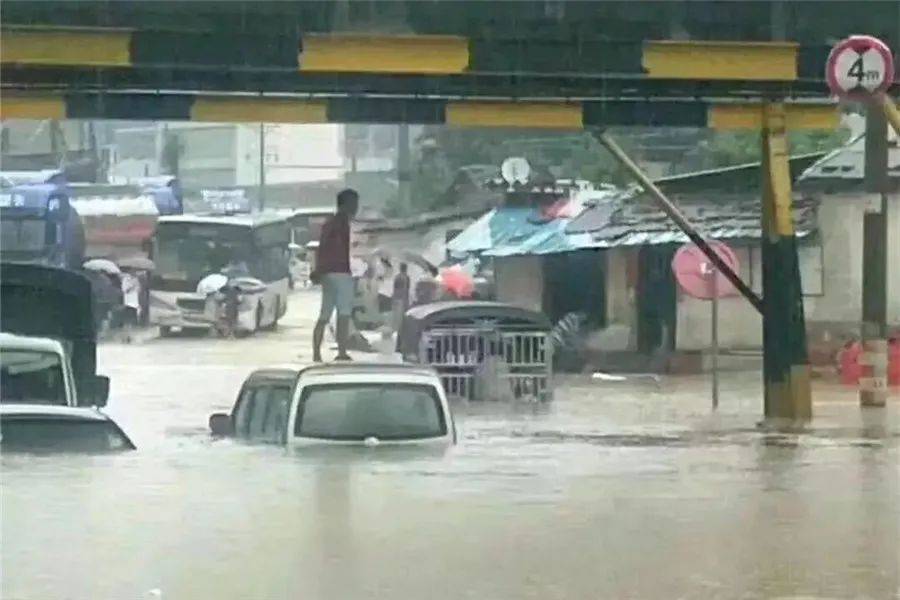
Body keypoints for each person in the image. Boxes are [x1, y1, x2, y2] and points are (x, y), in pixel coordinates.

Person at [311, 188, 359, 362]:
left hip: (327, 273)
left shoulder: (329, 223)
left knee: (324, 314)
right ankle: (341, 352)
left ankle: (316, 353)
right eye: (354, 204)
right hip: (342, 273)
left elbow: (321, 248)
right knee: (343, 314)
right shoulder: (345, 225)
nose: (356, 208)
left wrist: (319, 269)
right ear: (347, 204)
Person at [392, 262, 411, 331]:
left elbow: (395, 288)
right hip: (404, 298)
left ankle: (397, 328)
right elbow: (407, 289)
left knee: (397, 315)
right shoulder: (407, 277)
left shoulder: (397, 277)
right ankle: (402, 328)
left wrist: (394, 298)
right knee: (403, 315)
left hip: (398, 298)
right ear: (406, 269)